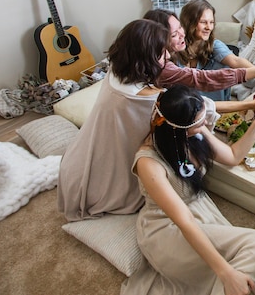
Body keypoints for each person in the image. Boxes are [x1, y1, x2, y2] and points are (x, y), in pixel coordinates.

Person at [121, 85, 255, 295]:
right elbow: (184, 221)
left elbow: (233, 156)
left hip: (199, 211)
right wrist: (225, 273)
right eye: (199, 122)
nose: (205, 123)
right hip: (167, 228)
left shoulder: (193, 132)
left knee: (249, 261)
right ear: (177, 128)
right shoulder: (148, 162)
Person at [57, 19, 170, 221]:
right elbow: (197, 109)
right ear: (146, 56)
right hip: (97, 186)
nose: (168, 56)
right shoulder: (146, 97)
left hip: (73, 166)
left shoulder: (115, 70)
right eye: (162, 53)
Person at [142, 8, 255, 95]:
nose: (182, 34)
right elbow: (203, 79)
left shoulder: (212, 44)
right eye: (174, 34)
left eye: (211, 22)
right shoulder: (164, 66)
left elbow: (236, 61)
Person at [178, 0, 255, 101]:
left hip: (217, 107)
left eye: (211, 22)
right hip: (186, 108)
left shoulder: (215, 45)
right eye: (203, 22)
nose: (209, 27)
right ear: (189, 22)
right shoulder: (176, 48)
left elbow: (235, 61)